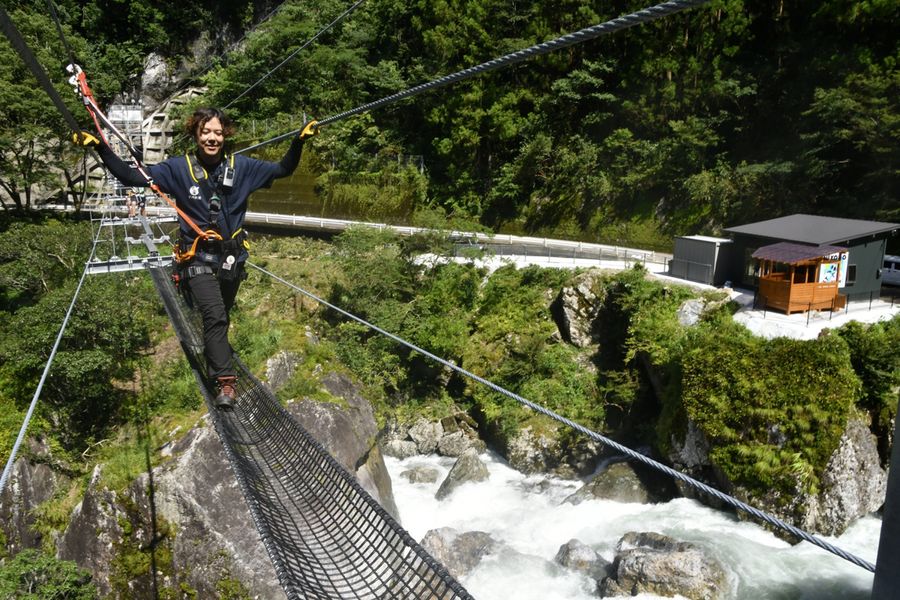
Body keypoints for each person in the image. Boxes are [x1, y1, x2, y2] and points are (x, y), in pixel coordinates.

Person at [75, 108, 318, 409]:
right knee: (214, 314)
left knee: (222, 314)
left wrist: (298, 142)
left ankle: (215, 352)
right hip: (196, 257)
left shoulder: (241, 167)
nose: (212, 138)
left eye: (217, 132)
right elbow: (130, 175)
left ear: (225, 135)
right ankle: (226, 383)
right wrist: (100, 147)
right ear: (196, 135)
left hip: (231, 258)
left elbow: (283, 169)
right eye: (206, 133)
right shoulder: (179, 169)